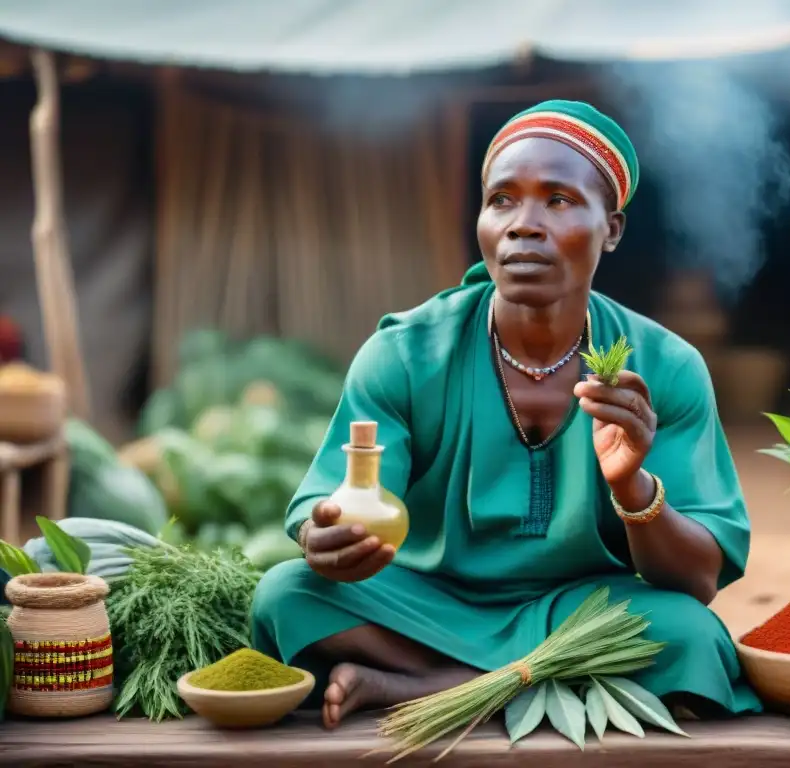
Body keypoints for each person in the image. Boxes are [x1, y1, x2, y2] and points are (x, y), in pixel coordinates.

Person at [251, 99, 761, 729]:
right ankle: (499, 684)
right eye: (502, 200)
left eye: (558, 200)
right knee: (286, 595)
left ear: (613, 227)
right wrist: (325, 537)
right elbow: (343, 500)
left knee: (689, 634)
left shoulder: (665, 369)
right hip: (431, 604)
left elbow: (698, 581)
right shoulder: (406, 355)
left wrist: (632, 486)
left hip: (587, 611)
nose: (524, 224)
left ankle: (425, 685)